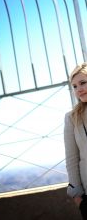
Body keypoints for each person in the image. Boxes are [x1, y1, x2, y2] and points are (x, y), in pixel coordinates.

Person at [64, 62, 87, 219]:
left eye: (83, 83)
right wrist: (79, 199)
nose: (78, 89)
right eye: (74, 86)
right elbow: (72, 159)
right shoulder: (72, 118)